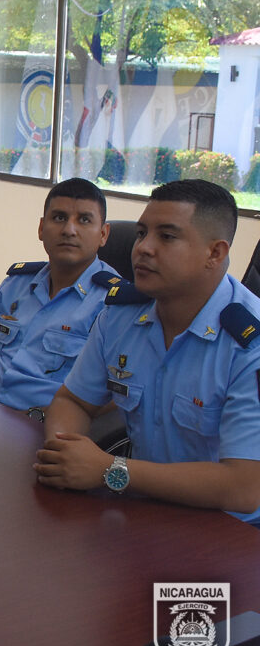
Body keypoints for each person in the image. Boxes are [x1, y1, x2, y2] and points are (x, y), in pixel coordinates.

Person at [35, 179, 260, 525]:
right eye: (141, 234)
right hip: (144, 509)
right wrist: (65, 454)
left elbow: (244, 487)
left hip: (232, 529)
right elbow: (74, 401)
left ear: (215, 253)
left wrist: (111, 469)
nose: (143, 248)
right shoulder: (121, 315)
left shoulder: (249, 342)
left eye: (166, 237)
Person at [0, 178, 115, 412]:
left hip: (46, 425)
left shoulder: (113, 304)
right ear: (41, 228)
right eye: (59, 218)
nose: (69, 230)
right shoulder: (17, 283)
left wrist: (52, 420)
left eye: (84, 220)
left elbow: (118, 396)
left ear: (103, 234)